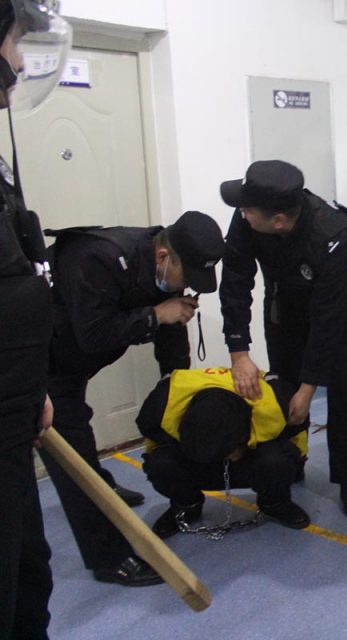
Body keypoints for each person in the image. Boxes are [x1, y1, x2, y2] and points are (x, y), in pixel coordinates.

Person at [42, 210, 224, 586]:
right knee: (72, 459)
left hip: (70, 358)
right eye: (186, 277)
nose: (185, 286)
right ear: (163, 258)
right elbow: (93, 334)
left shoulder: (164, 264)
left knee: (78, 423)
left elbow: (171, 332)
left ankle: (103, 485)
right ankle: (109, 558)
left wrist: (176, 389)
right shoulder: (97, 259)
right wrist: (155, 316)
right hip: (38, 361)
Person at [219, 160, 347, 518]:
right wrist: (238, 351)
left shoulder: (334, 240)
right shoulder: (248, 216)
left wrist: (309, 388)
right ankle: (292, 461)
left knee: (343, 386)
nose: (241, 212)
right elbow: (236, 281)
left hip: (341, 308)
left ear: (278, 221)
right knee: (284, 382)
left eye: (247, 209)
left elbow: (327, 323)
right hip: (285, 301)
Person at [0, 0, 70, 636]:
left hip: (14, 412)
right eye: (17, 42)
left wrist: (32, 391)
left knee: (28, 577)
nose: (21, 61)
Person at [136, 367, 310, 537]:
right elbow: (154, 445)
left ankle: (274, 502)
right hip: (194, 451)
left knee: (278, 459)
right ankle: (187, 505)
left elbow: (297, 442)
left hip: (248, 453)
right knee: (160, 463)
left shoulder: (278, 402)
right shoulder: (159, 406)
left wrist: (246, 448)